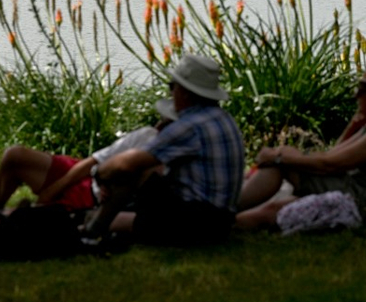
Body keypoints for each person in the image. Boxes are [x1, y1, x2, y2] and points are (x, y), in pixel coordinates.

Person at [235, 59, 366, 232]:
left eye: (360, 91)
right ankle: (225, 213)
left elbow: (330, 164)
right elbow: (333, 155)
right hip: (353, 191)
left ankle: (222, 215)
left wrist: (279, 157)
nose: (356, 96)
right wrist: (352, 127)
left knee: (274, 200)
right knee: (279, 172)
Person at [83, 54, 246, 246]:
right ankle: (96, 226)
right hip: (221, 222)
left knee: (131, 171)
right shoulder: (222, 117)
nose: (171, 93)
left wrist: (99, 174)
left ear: (184, 92)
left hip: (196, 224)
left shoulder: (189, 126)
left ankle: (94, 230)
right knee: (149, 171)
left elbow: (127, 164)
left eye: (172, 86)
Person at [0, 100, 178, 228]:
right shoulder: (147, 135)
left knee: (21, 219)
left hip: (92, 200)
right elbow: (93, 161)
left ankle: (7, 214)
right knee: (14, 156)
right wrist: (56, 188)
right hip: (83, 176)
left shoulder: (176, 160)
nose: (160, 123)